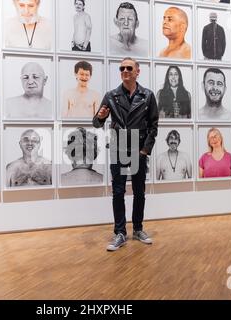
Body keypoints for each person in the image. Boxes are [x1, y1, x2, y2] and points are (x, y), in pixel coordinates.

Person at [93, 57, 159, 251]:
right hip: (118, 147)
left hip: (139, 148)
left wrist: (145, 150)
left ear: (137, 71)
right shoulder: (111, 96)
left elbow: (154, 126)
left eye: (129, 68)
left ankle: (138, 229)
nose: (125, 71)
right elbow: (96, 123)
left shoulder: (147, 96)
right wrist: (100, 116)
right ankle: (120, 232)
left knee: (139, 191)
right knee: (118, 192)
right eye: (122, 68)